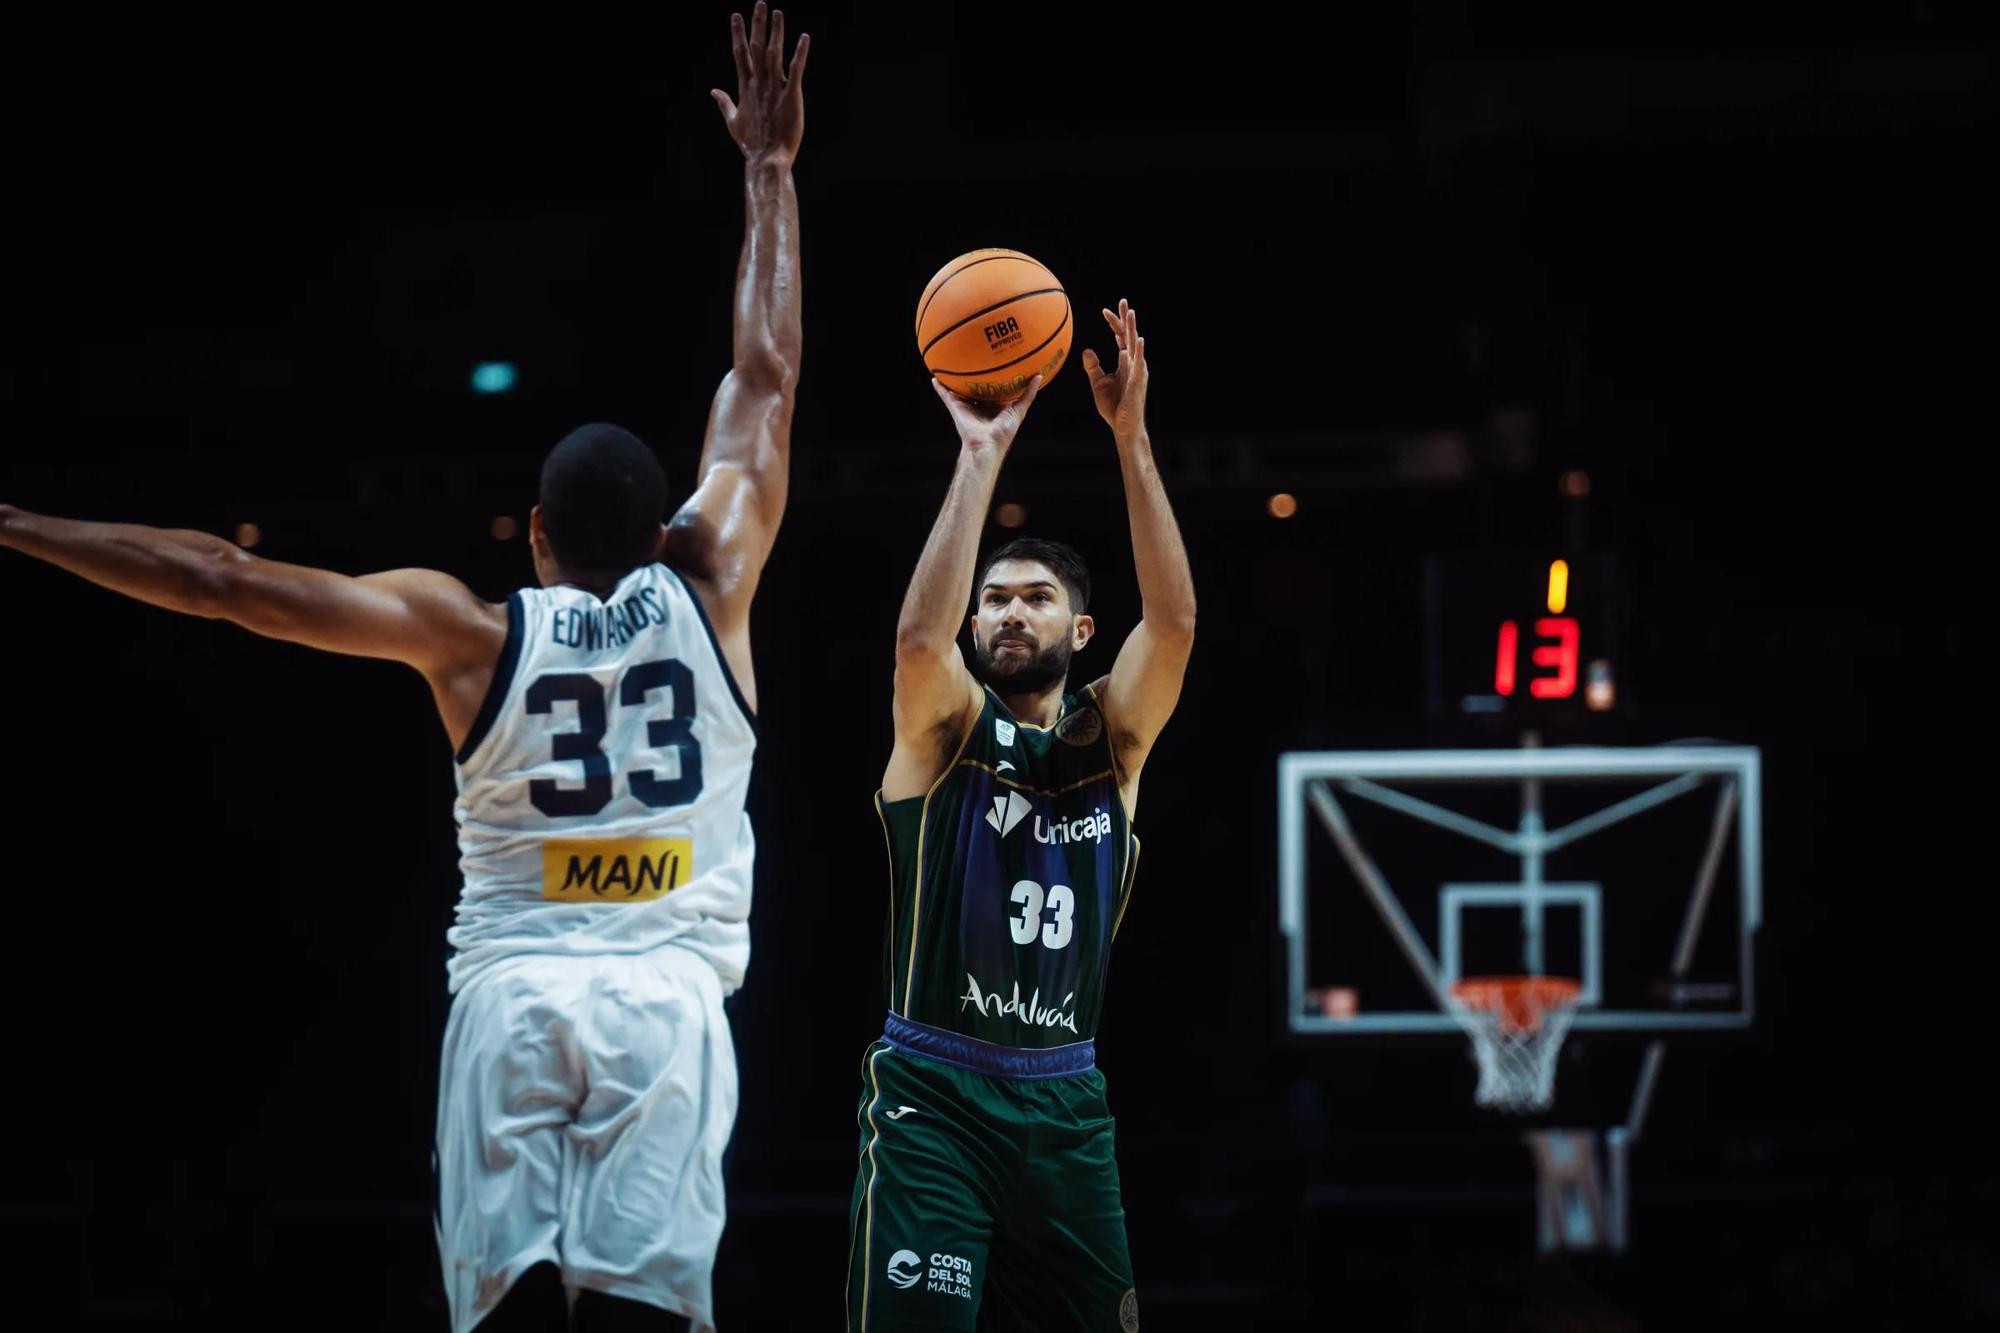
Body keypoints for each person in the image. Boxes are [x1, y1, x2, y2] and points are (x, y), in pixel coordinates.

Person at [0, 7, 806, 1328]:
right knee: (648, 1314)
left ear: (536, 534)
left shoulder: (469, 632)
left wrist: (20, 524)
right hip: (667, 992)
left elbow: (223, 581)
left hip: (513, 996)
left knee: (497, 1311)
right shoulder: (714, 581)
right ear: (662, 528)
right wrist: (768, 175)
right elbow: (763, 376)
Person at [845, 300, 1196, 1331]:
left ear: (1080, 629)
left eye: (1033, 596)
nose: (1005, 610)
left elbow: (1172, 625)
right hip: (933, 1096)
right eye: (992, 597)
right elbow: (918, 641)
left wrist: (1129, 439)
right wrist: (980, 451)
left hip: (1066, 1105)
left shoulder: (1111, 743)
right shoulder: (943, 734)